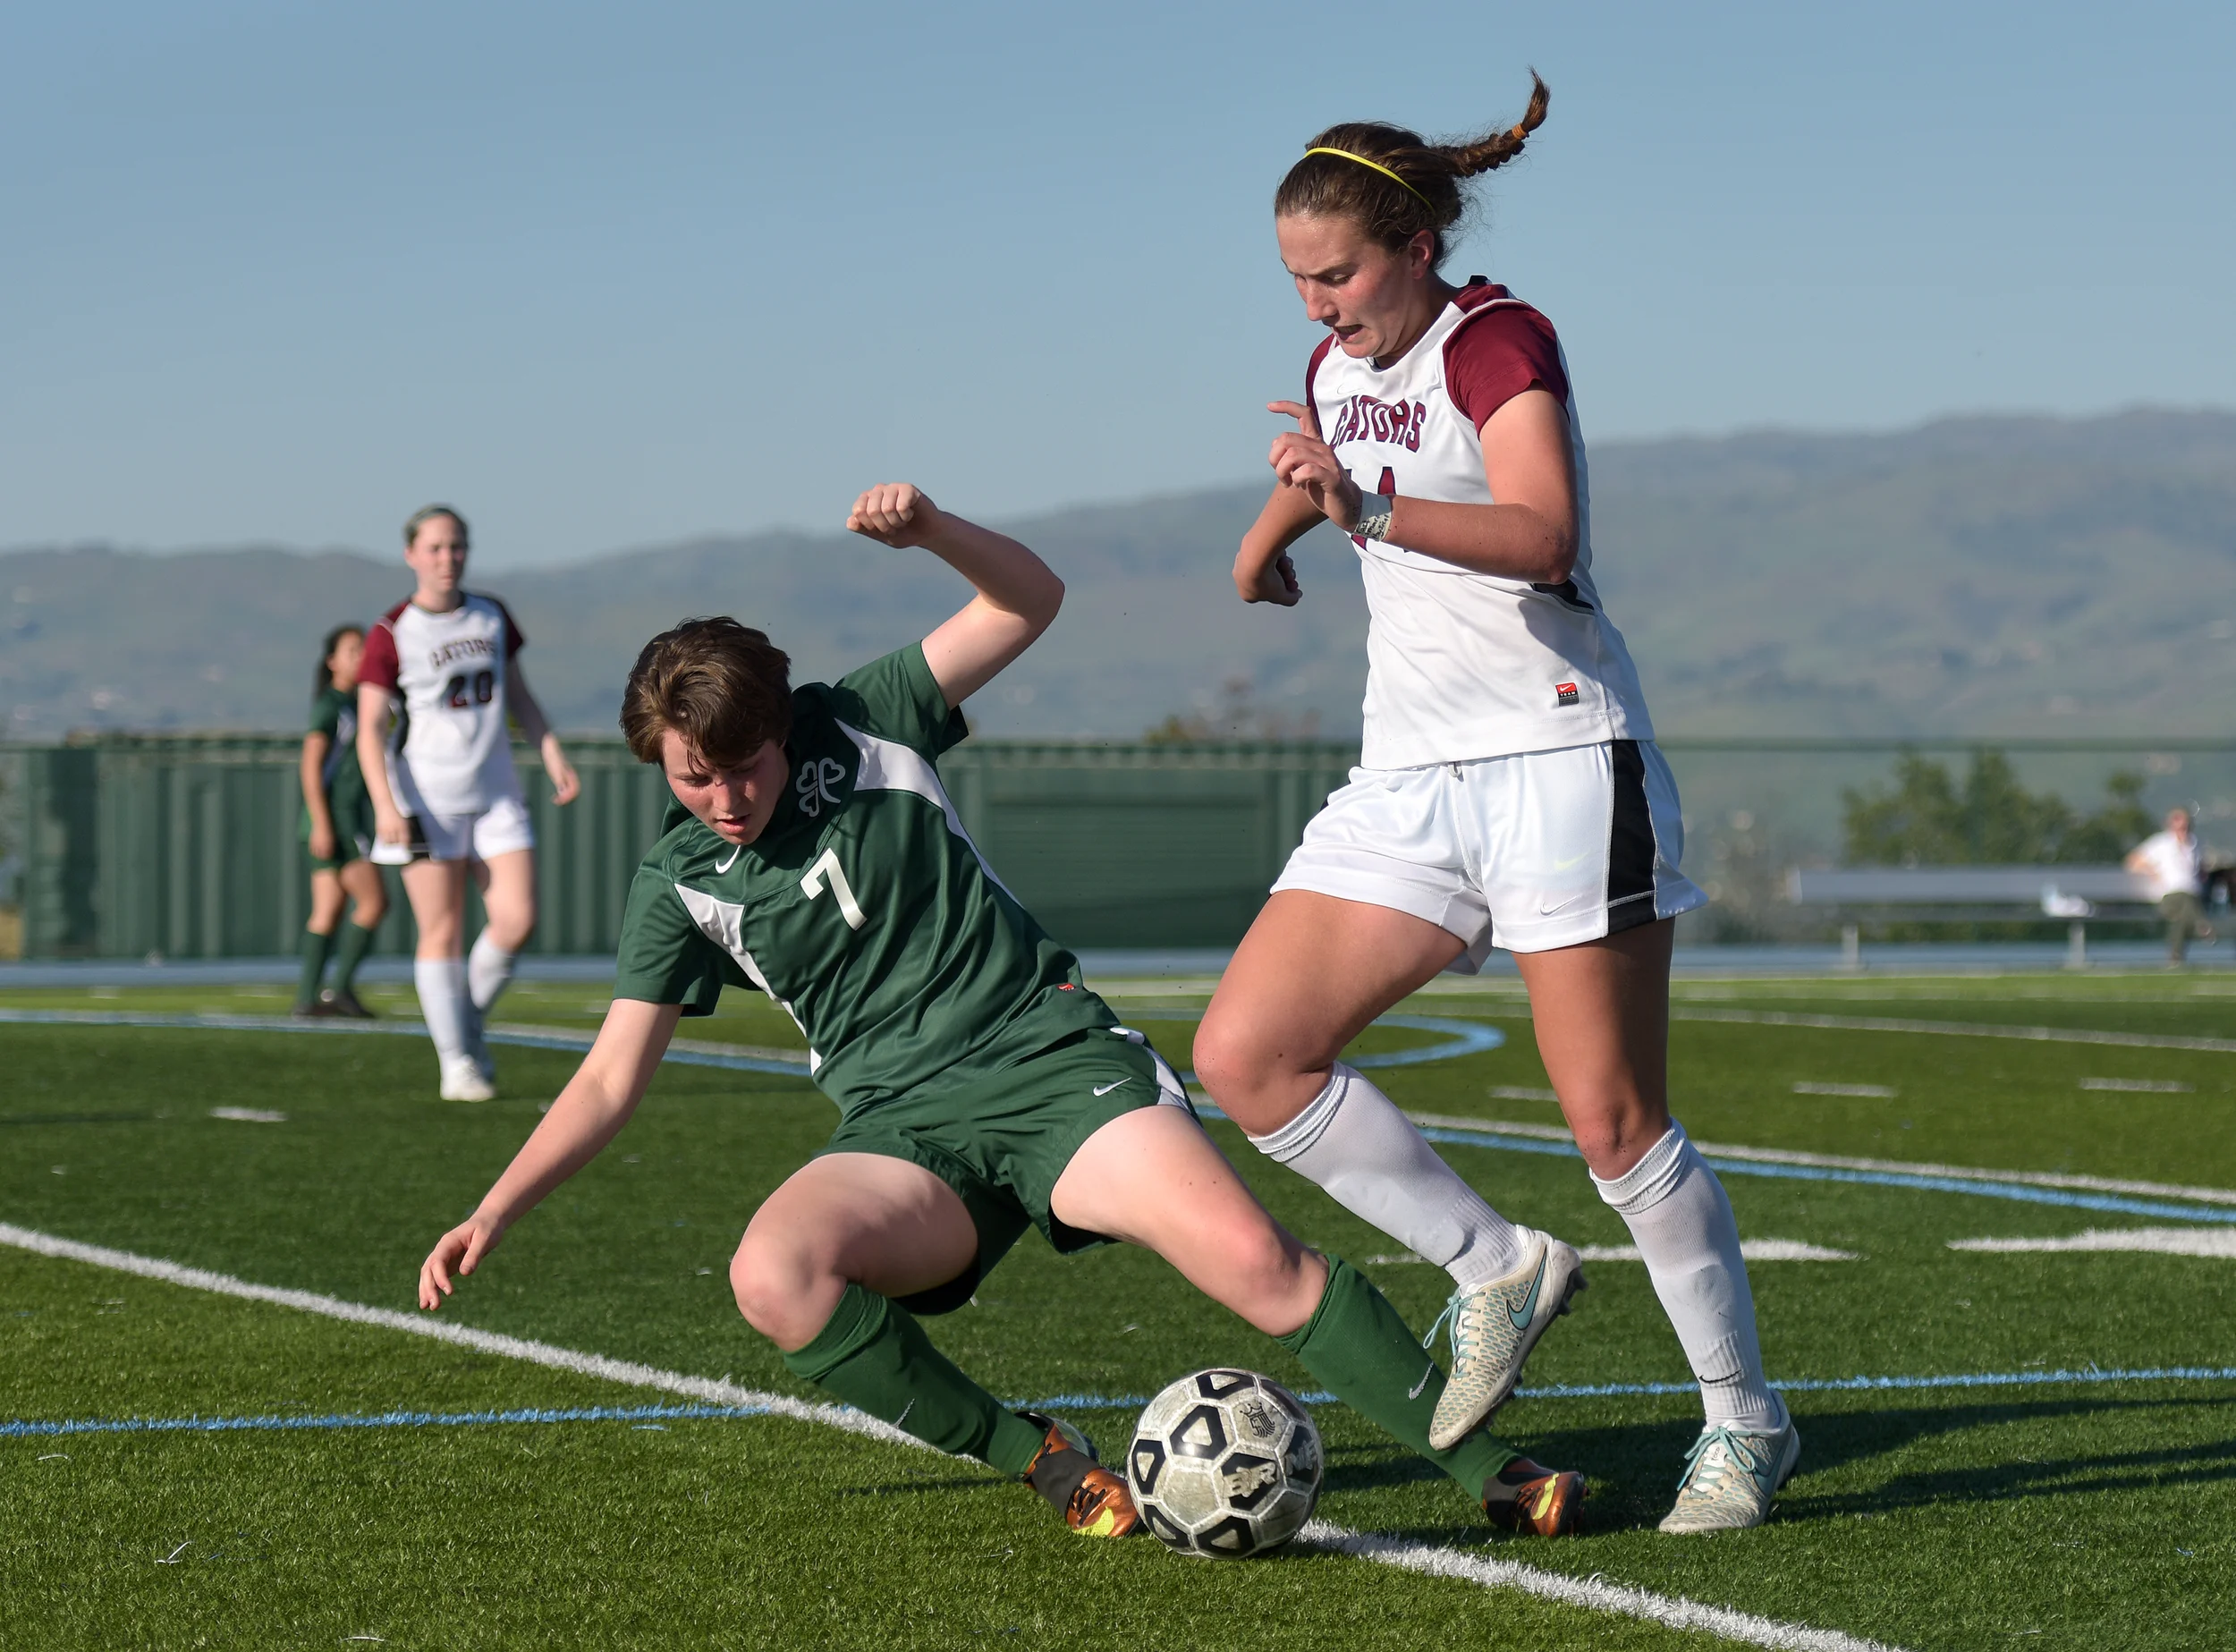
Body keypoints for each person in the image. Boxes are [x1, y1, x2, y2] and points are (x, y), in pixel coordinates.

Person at [417, 484, 1586, 1540]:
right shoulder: (677, 880)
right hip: (899, 1129)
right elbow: (613, 1075)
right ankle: (1034, 1452)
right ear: (656, 762)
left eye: (746, 765)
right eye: (692, 775)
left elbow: (1030, 600)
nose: (726, 797)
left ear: (781, 728)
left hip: (1046, 1059)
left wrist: (931, 532)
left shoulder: (861, 719)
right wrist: (497, 1204)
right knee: (775, 1272)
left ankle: (1485, 1463)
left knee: (1251, 1256)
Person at [1192, 77, 1796, 1535]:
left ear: (1410, 242)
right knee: (1248, 1053)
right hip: (1409, 774)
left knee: (1611, 1119)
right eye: (1297, 281)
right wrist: (1267, 540)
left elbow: (1542, 532)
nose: (1319, 303)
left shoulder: (1496, 340)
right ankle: (1493, 1267)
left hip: (1560, 758)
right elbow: (1335, 459)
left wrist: (1362, 513)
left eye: (1336, 273)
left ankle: (1746, 1425)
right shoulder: (1340, 361)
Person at [356, 505, 580, 1101]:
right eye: (434, 548)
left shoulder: (491, 614)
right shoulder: (390, 633)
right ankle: (457, 1060)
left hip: (496, 792)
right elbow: (370, 726)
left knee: (517, 918)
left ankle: (465, 1023)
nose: (447, 558)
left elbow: (520, 696)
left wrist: (552, 752)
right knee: (443, 930)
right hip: (428, 797)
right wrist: (385, 803)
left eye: (456, 546)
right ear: (411, 555)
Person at [293, 623, 387, 1018]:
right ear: (331, 661)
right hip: (339, 821)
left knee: (328, 910)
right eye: (351, 650)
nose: (360, 656)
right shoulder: (333, 707)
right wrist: (323, 822)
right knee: (375, 902)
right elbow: (311, 767)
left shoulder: (359, 704)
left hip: (335, 820)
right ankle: (339, 989)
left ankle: (306, 1001)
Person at [2127, 807, 2210, 966]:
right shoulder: (2161, 843)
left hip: (2192, 896)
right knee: (2183, 901)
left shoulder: (2194, 844)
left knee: (2182, 917)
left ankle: (2176, 958)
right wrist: (2151, 870)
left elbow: (2200, 870)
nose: (2182, 831)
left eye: (2185, 827)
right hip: (2168, 896)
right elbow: (2132, 861)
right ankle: (2202, 925)